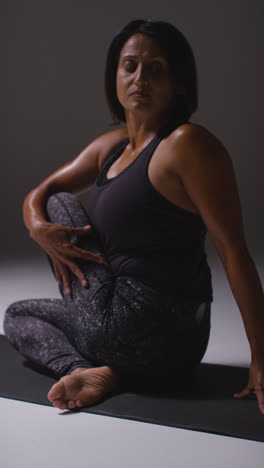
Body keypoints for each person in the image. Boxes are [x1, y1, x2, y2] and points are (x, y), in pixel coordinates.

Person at [4, 19, 264, 415]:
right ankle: (107, 372)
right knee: (19, 314)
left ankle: (82, 365)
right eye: (130, 66)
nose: (140, 77)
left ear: (179, 82)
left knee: (57, 213)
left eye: (156, 68)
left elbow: (233, 251)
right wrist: (37, 228)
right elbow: (36, 195)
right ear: (115, 77)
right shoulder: (111, 147)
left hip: (138, 321)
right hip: (180, 350)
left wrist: (261, 356)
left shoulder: (186, 145)